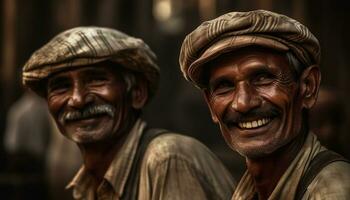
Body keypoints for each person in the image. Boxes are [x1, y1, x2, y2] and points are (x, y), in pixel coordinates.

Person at [21, 26, 234, 200]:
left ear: (137, 93)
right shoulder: (88, 183)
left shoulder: (168, 158)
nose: (77, 100)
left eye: (96, 79)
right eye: (61, 86)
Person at [179, 10, 350, 199]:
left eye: (262, 78)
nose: (243, 103)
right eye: (224, 86)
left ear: (307, 86)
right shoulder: (252, 190)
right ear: (210, 105)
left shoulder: (332, 191)